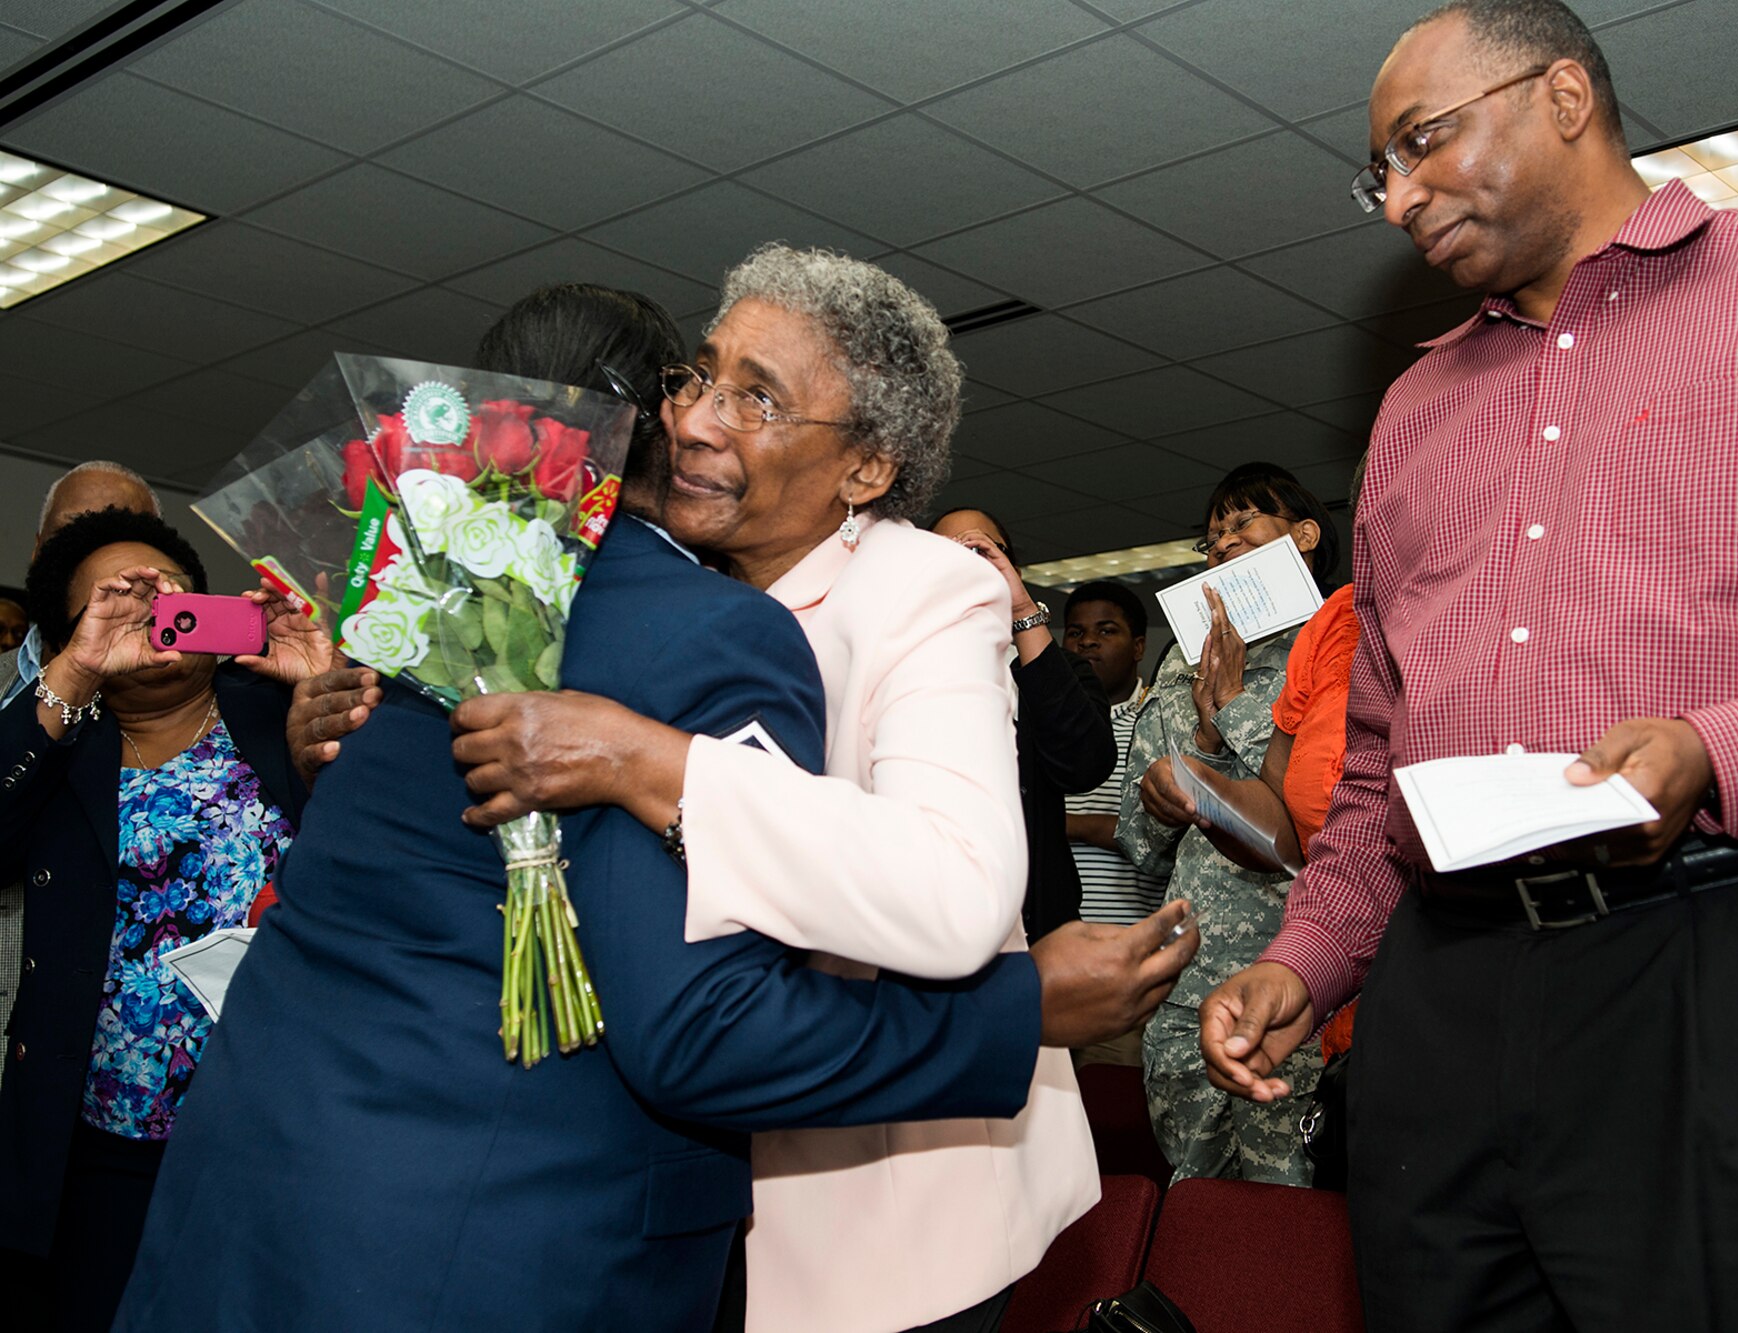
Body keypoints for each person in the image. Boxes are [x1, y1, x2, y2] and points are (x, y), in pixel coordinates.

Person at [113, 281, 1128, 1333]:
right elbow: (682, 1025)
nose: (702, 418)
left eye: (750, 396)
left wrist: (650, 761)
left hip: (854, 1200)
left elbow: (943, 882)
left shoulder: (448, 594)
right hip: (477, 1221)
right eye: (697, 381)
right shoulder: (578, 608)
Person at [1199, 1, 1738, 1328]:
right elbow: (1388, 765)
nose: (1397, 197)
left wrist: (1722, 748)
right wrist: (1312, 957)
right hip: (1447, 998)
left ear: (1564, 96)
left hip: (1737, 954)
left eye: (1423, 142)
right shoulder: (1411, 413)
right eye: (1378, 172)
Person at [0, 508, 321, 1332]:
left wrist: (328, 682)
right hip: (99, 1152)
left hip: (275, 1134)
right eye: (119, 599)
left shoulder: (276, 719)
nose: (152, 606)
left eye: (171, 591)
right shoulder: (57, 753)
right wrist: (73, 675)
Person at [1119, 463, 1339, 1186]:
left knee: (1287, 1229)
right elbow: (1140, 843)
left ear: (1303, 535)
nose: (1221, 546)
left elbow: (1331, 823)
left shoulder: (1342, 654)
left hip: (1295, 995)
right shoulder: (1181, 667)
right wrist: (1200, 748)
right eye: (1211, 538)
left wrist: (1237, 708)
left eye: (1243, 524)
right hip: (1187, 998)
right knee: (1194, 1218)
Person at [930, 507, 1116, 944]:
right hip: (937, 921)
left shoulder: (1058, 670)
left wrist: (1021, 609)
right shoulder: (902, 668)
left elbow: (1085, 765)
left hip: (1040, 925)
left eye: (981, 551)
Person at [3, 464, 162, 710]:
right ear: (37, 550)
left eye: (116, 541)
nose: (92, 560)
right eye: (69, 533)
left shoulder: (215, 685)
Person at [1061, 580, 1167, 931]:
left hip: (1131, 934)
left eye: (1106, 631)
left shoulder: (1162, 722)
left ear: (1138, 647)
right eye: (1075, 632)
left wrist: (1064, 824)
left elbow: (1161, 836)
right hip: (1048, 938)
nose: (1087, 641)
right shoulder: (1043, 723)